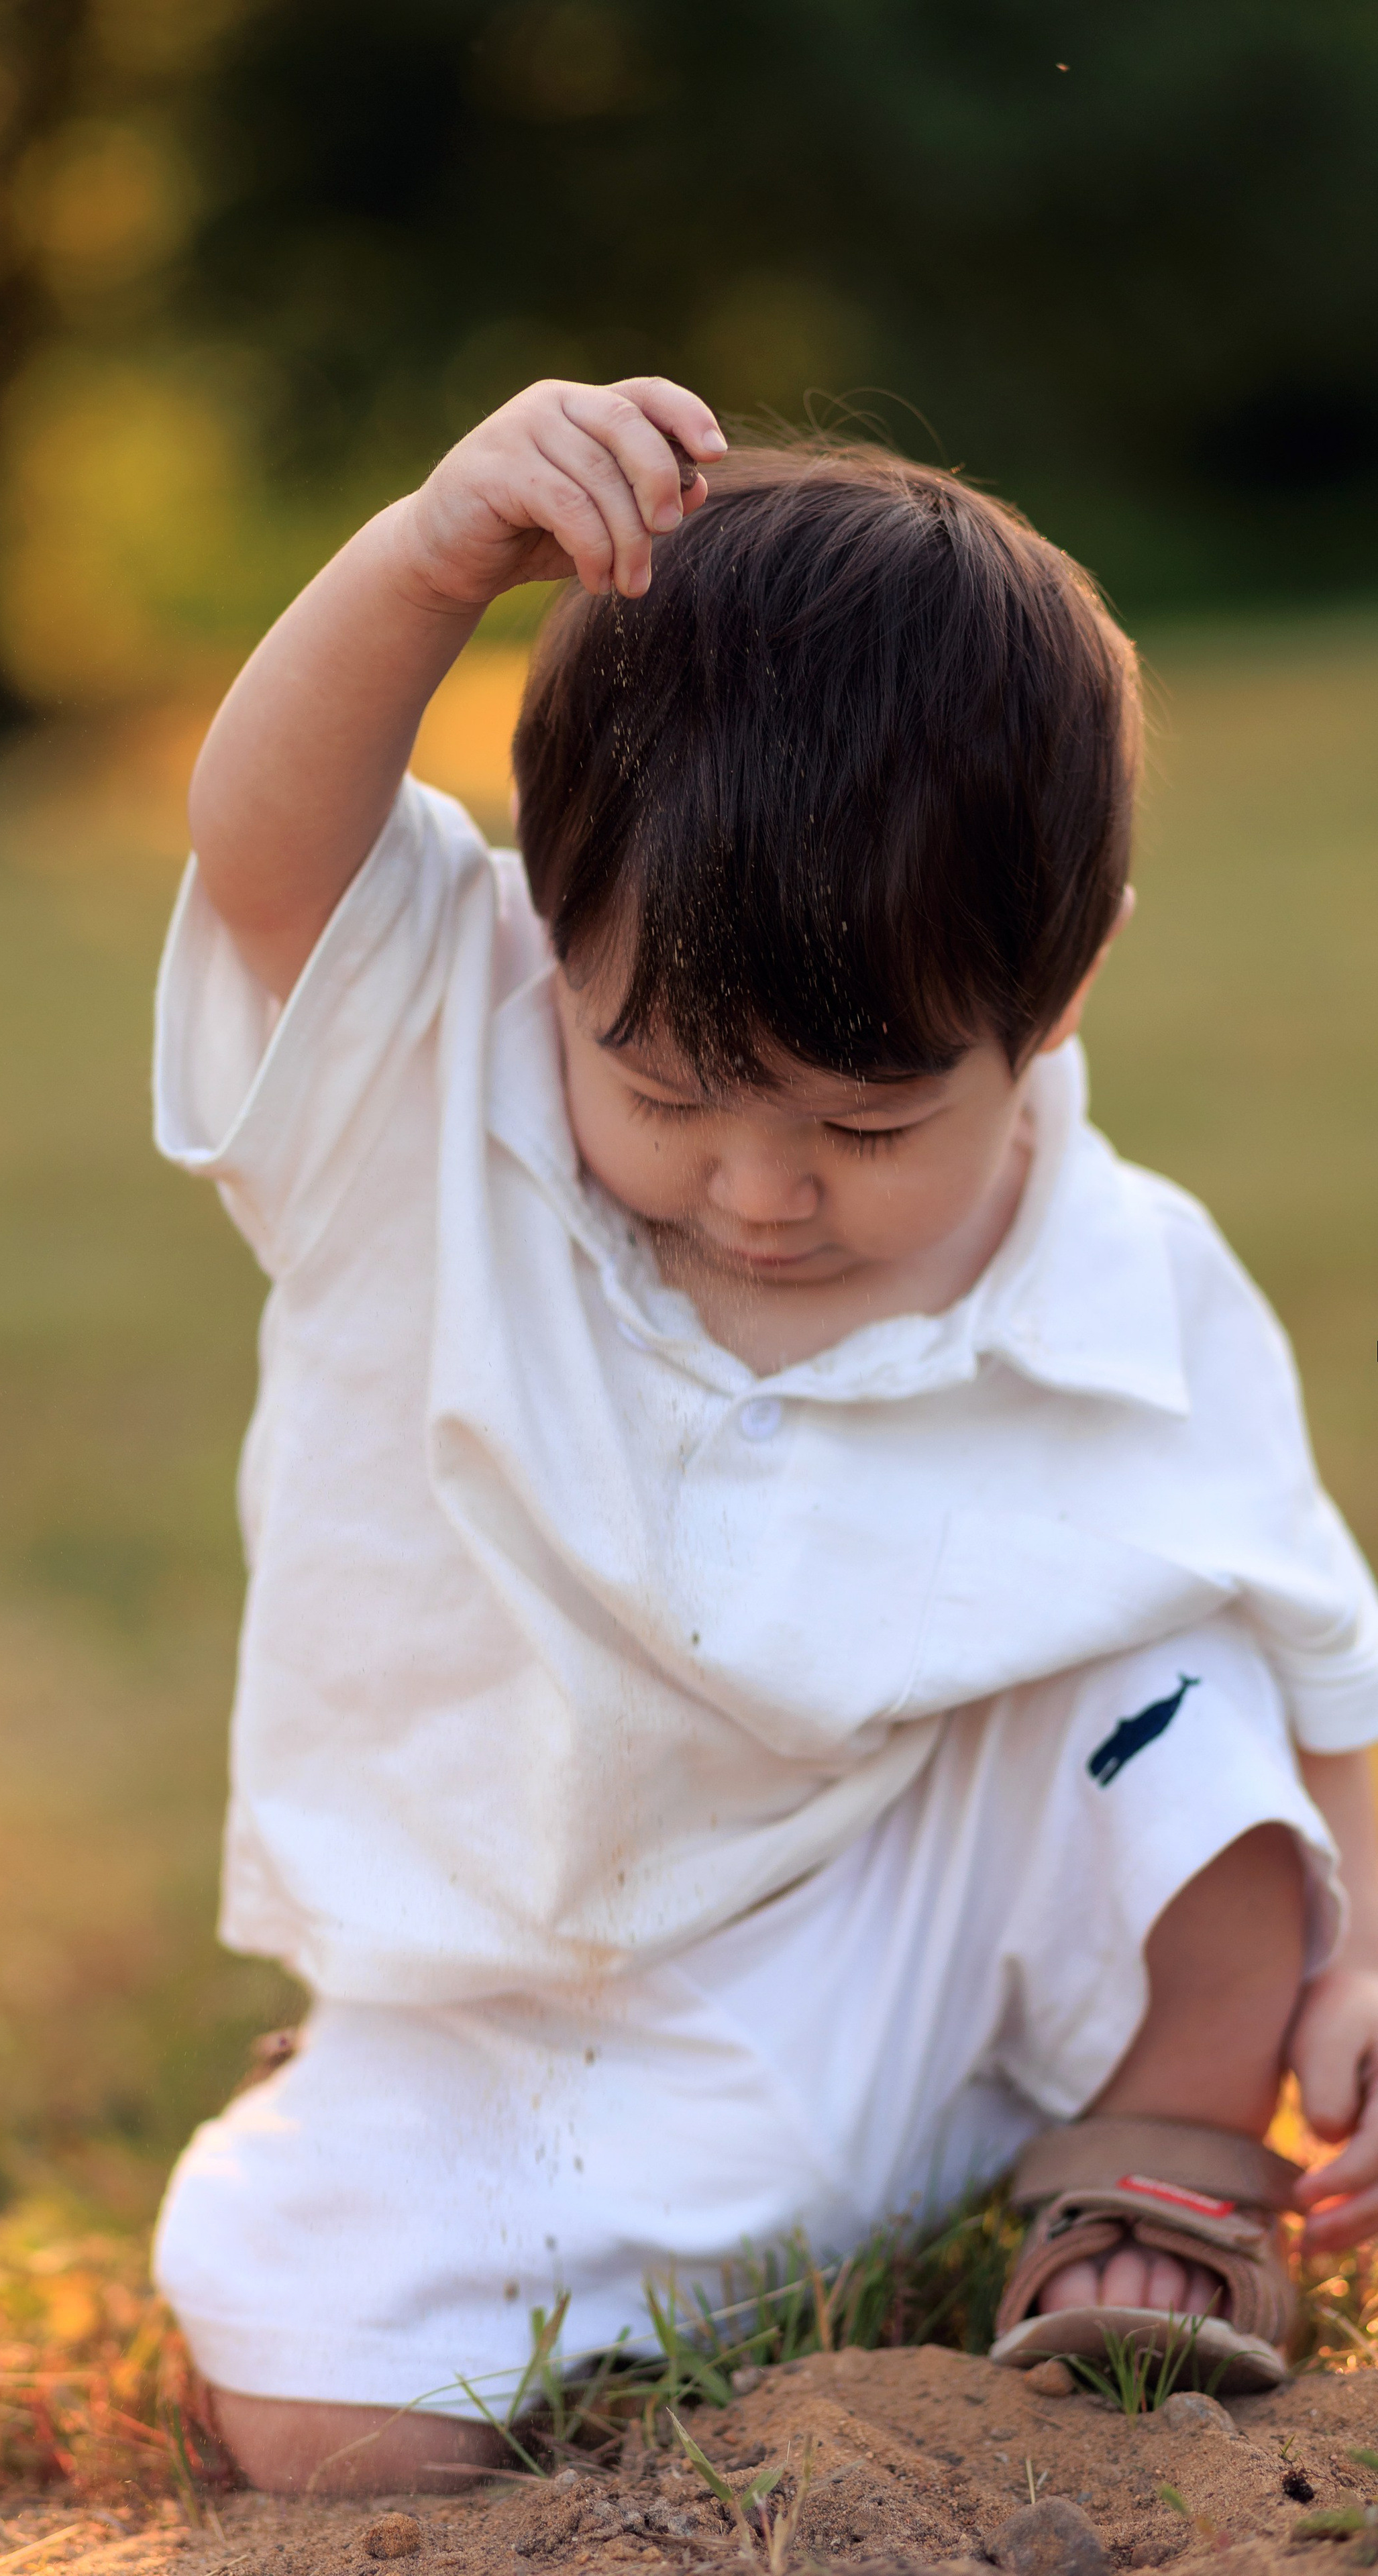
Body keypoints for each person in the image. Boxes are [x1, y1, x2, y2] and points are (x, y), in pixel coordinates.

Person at [148, 378, 1378, 2496]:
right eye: (668, 1092)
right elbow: (263, 847)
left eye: (867, 1122)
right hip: (526, 2008)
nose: (758, 1191)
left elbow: (1319, 1654)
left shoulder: (1127, 1288)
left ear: (1059, 1001)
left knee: (1176, 1667)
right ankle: (450, 2206)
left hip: (934, 1959)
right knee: (326, 2417)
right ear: (551, 945)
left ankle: (1162, 2153)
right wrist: (436, 552)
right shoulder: (431, 1074)